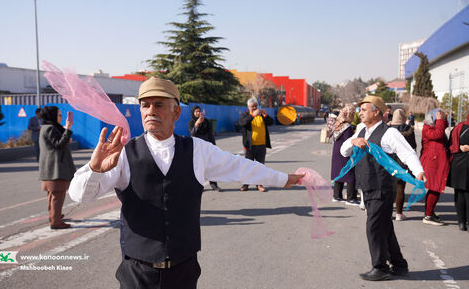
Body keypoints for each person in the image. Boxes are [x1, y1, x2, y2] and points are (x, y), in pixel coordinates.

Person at [69, 77, 304, 289]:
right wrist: (94, 170)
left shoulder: (197, 150)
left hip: (183, 272)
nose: (151, 111)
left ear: (176, 112)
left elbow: (240, 167)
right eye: (145, 105)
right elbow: (79, 196)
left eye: (159, 104)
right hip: (137, 273)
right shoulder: (123, 154)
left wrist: (283, 179)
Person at [341, 96, 425, 281]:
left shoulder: (389, 133)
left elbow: (407, 153)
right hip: (368, 187)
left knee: (374, 227)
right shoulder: (362, 130)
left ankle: (380, 267)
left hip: (383, 187)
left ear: (376, 111)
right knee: (384, 226)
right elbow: (343, 150)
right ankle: (399, 265)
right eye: (360, 110)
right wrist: (353, 142)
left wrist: (418, 171)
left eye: (364, 110)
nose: (360, 113)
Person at [39, 106, 75, 229]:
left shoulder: (49, 128)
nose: (61, 117)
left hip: (53, 167)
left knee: (53, 194)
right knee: (57, 195)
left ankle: (55, 215)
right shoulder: (49, 129)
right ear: (52, 116)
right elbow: (58, 144)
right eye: (59, 114)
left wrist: (65, 130)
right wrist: (68, 128)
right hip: (55, 168)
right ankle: (56, 221)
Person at [238, 96, 274, 192]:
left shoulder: (261, 115)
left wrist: (266, 116)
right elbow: (242, 123)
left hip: (261, 145)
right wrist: (252, 115)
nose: (254, 108)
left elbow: (271, 123)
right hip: (250, 145)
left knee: (260, 166)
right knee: (247, 166)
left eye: (255, 106)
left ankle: (259, 184)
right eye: (252, 106)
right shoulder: (245, 115)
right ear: (248, 107)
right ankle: (245, 184)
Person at [420, 109, 450, 226]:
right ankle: (428, 215)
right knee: (435, 188)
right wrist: (440, 120)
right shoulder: (427, 129)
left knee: (435, 188)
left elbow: (442, 127)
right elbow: (438, 134)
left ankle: (430, 212)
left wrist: (443, 118)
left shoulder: (435, 126)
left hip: (436, 162)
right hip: (433, 163)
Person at [388, 109, 417, 221]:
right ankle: (399, 213)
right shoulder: (409, 130)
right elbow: (413, 145)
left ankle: (388, 212)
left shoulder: (388, 130)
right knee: (400, 187)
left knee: (389, 188)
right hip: (403, 162)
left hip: (389, 162)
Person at [187, 105, 221, 192]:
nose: (198, 113)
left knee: (210, 166)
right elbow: (192, 134)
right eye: (196, 112)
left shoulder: (206, 121)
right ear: (193, 113)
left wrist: (213, 146)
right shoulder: (191, 122)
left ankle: (214, 185)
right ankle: (199, 186)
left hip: (207, 147)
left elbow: (210, 134)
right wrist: (197, 124)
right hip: (198, 148)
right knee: (199, 168)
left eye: (199, 111)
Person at [330, 104, 357, 205]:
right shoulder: (348, 127)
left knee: (338, 173)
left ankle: (337, 195)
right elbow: (348, 141)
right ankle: (351, 198)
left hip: (336, 151)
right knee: (350, 173)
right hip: (344, 152)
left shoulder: (338, 124)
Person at [449, 113, 469, 231]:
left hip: (457, 163)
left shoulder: (458, 127)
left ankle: (461, 222)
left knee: (459, 193)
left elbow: (450, 144)